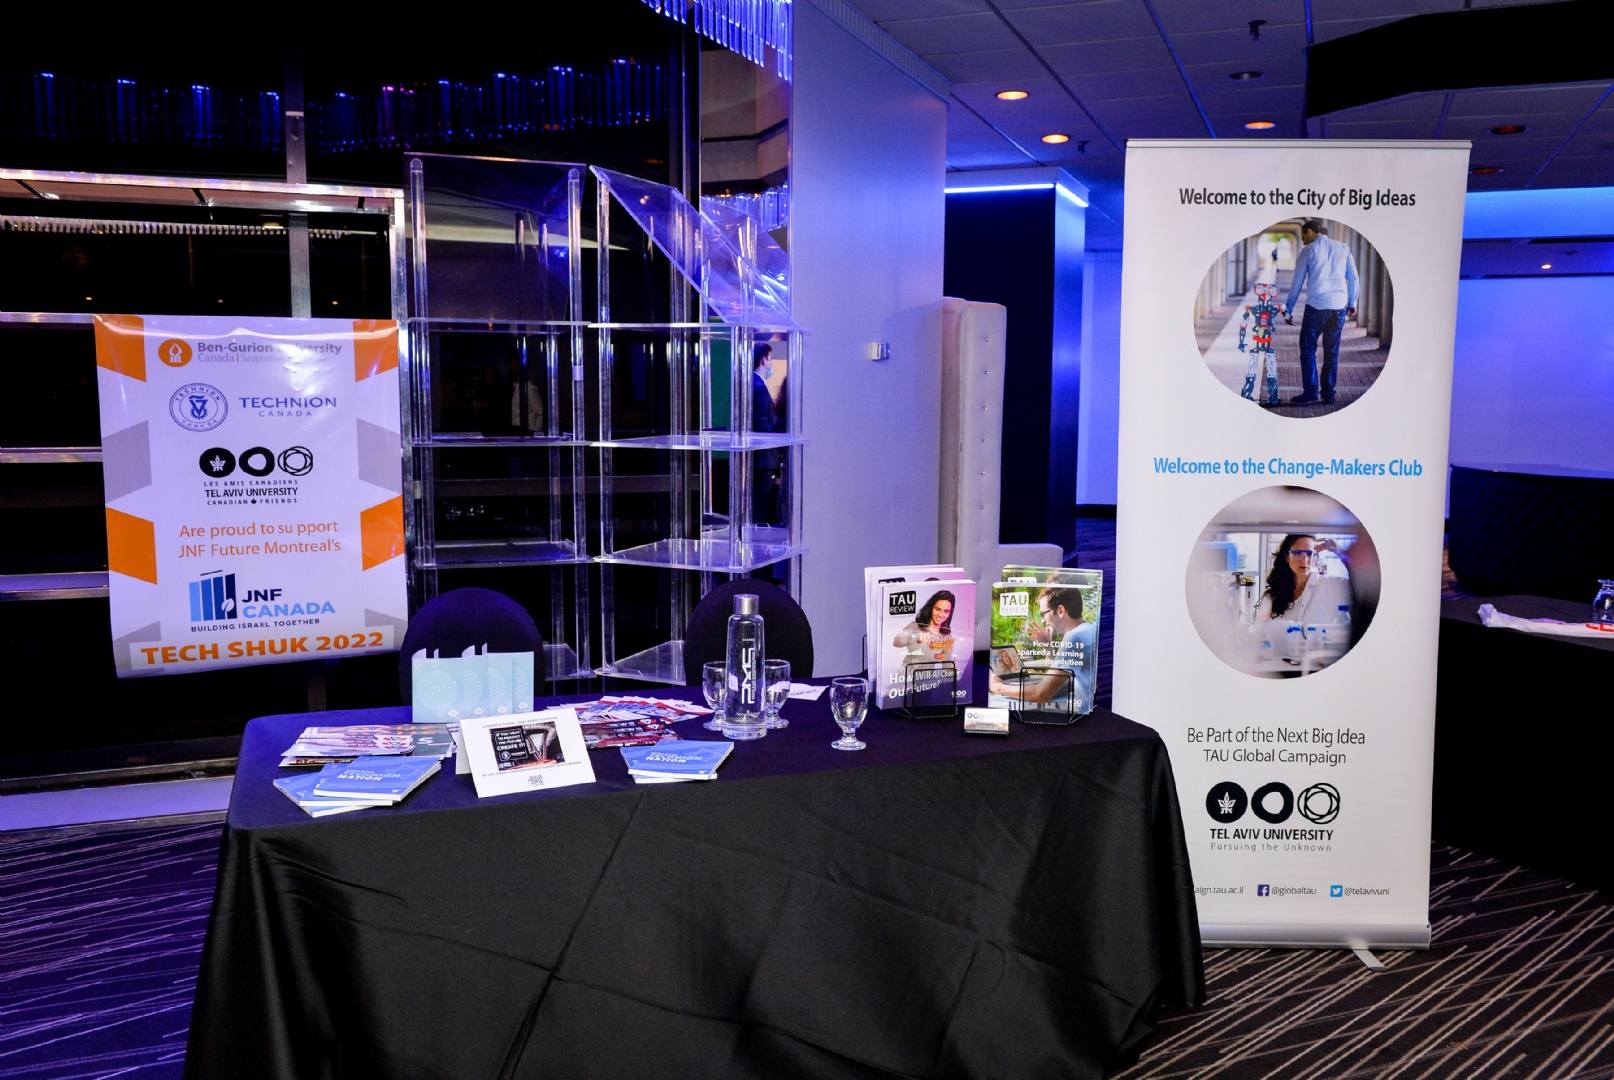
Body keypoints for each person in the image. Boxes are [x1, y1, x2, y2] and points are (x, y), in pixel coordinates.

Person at [1284, 219, 1358, 406]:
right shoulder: (1343, 248)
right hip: (1338, 307)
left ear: (1310, 231)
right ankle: (1328, 394)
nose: (1303, 241)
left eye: (1303, 236)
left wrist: (1288, 309)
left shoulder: (1308, 251)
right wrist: (1352, 302)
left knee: (1308, 349)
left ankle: (1310, 392)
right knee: (1332, 352)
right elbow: (1354, 279)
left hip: (1316, 306)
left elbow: (1296, 283)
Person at [988, 586, 1096, 712]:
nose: (1043, 621)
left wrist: (999, 687)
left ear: (1060, 610)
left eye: (1043, 614)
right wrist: (1048, 647)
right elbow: (1061, 680)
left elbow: (1041, 694)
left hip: (1082, 715)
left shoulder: (1074, 637)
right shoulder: (1088, 630)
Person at [1258, 534, 1352, 626]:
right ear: (1286, 557)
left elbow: (1358, 583)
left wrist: (1340, 552)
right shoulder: (1275, 593)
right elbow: (1261, 630)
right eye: (1297, 553)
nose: (1304, 561)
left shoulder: (1332, 586)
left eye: (1309, 554)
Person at [891, 589, 958, 700]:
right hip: (903, 684)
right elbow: (896, 641)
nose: (941, 615)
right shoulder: (915, 626)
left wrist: (952, 669)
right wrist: (915, 636)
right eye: (938, 609)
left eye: (946, 611)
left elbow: (945, 668)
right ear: (931, 607)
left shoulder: (947, 637)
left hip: (924, 688)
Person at [750, 342, 780, 525]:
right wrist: (779, 429)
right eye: (770, 359)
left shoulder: (752, 384)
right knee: (760, 507)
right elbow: (761, 424)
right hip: (763, 458)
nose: (771, 363)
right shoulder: (759, 387)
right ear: (763, 360)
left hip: (758, 458)